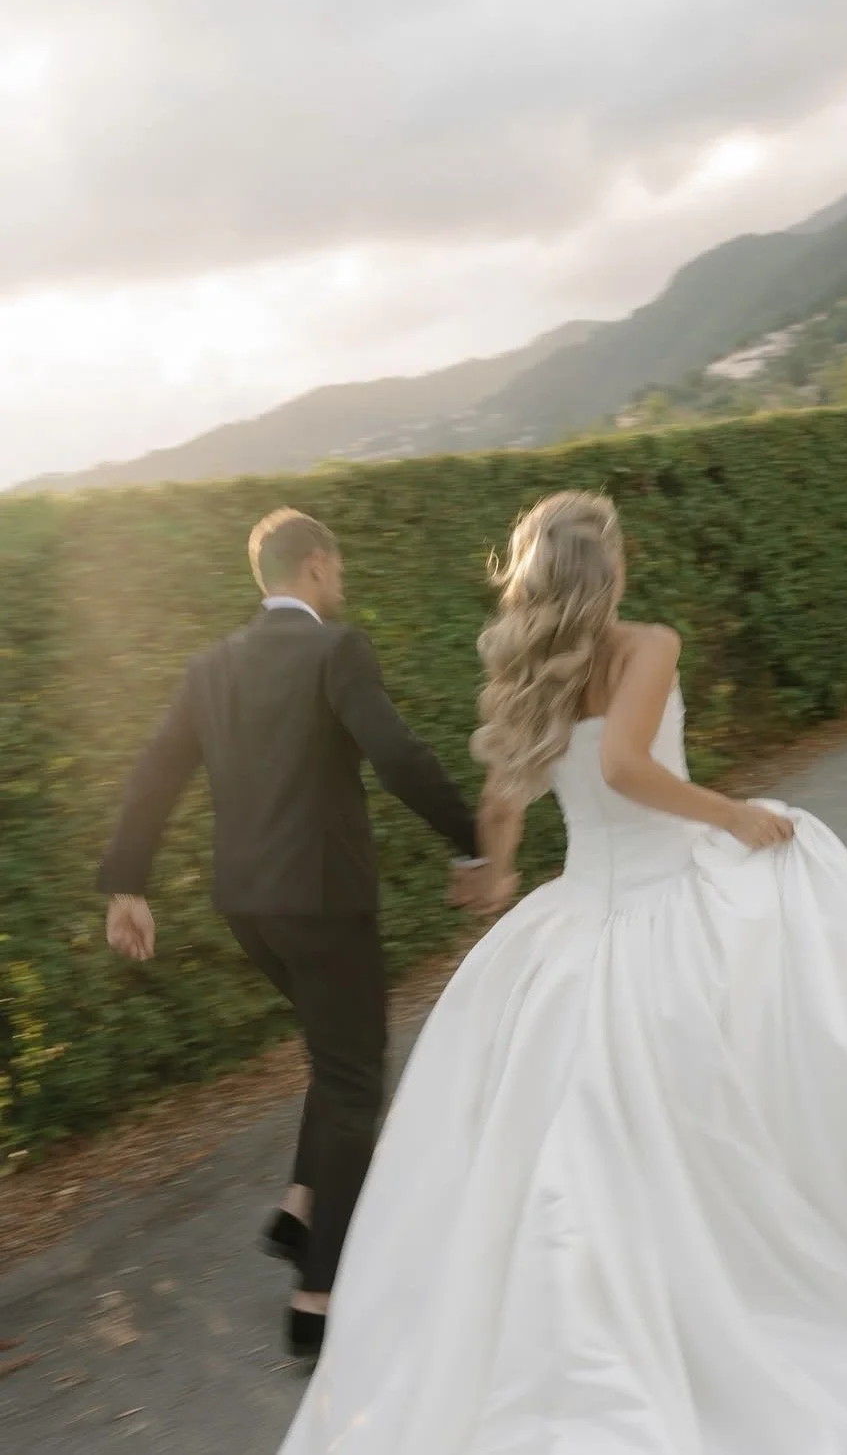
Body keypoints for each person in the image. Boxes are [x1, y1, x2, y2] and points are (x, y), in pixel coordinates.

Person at [279, 489, 847, 1453]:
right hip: (662, 908)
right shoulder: (649, 646)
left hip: (574, 918)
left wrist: (499, 874)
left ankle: (589, 1320)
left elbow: (504, 801)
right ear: (613, 566)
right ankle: (699, 1300)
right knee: (695, 1109)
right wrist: (734, 815)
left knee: (582, 1138)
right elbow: (631, 767)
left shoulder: (531, 668)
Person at [98, 508, 493, 1359]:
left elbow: (156, 769)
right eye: (336, 569)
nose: (339, 584)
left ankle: (302, 1205)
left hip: (249, 908)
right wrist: (472, 841)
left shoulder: (212, 666)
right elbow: (395, 754)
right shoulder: (334, 650)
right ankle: (317, 1294)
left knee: (332, 1047)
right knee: (356, 1081)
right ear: (315, 565)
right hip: (323, 901)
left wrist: (126, 884)